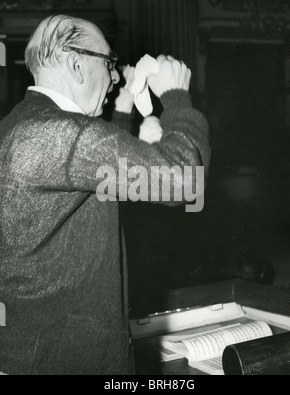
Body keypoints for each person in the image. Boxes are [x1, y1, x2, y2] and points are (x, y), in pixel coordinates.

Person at [0, 15, 211, 375]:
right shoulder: (59, 133)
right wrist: (176, 98)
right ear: (76, 64)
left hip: (37, 349)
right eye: (109, 63)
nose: (114, 75)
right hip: (67, 359)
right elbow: (183, 180)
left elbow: (96, 179)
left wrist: (126, 105)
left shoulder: (23, 125)